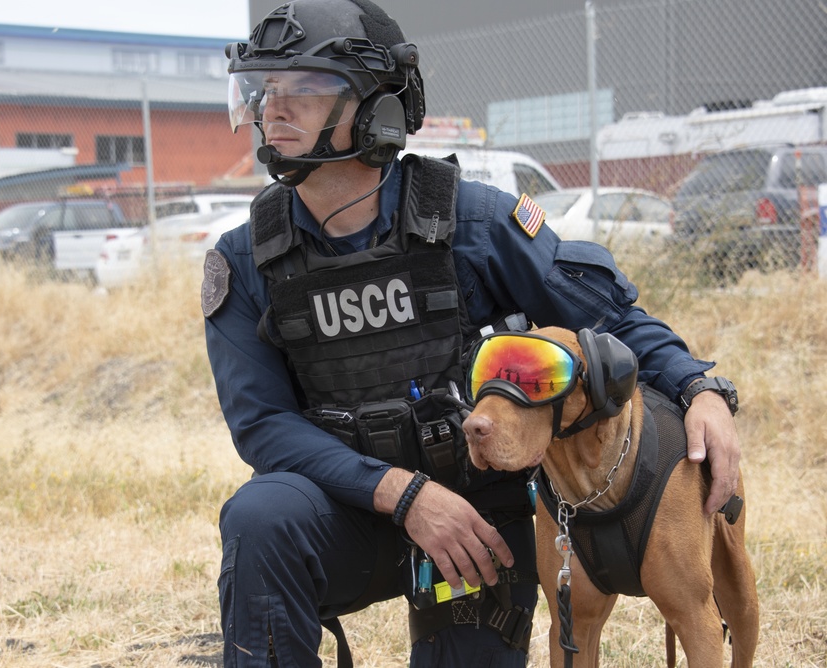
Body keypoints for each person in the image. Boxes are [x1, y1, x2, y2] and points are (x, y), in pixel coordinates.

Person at [202, 1, 741, 665]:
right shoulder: (244, 260)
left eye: (306, 90)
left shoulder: (472, 222)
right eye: (266, 90)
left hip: (472, 520)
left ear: (379, 109)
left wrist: (699, 386)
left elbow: (606, 318)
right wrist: (403, 495)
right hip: (344, 511)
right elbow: (261, 426)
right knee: (260, 518)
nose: (274, 109)